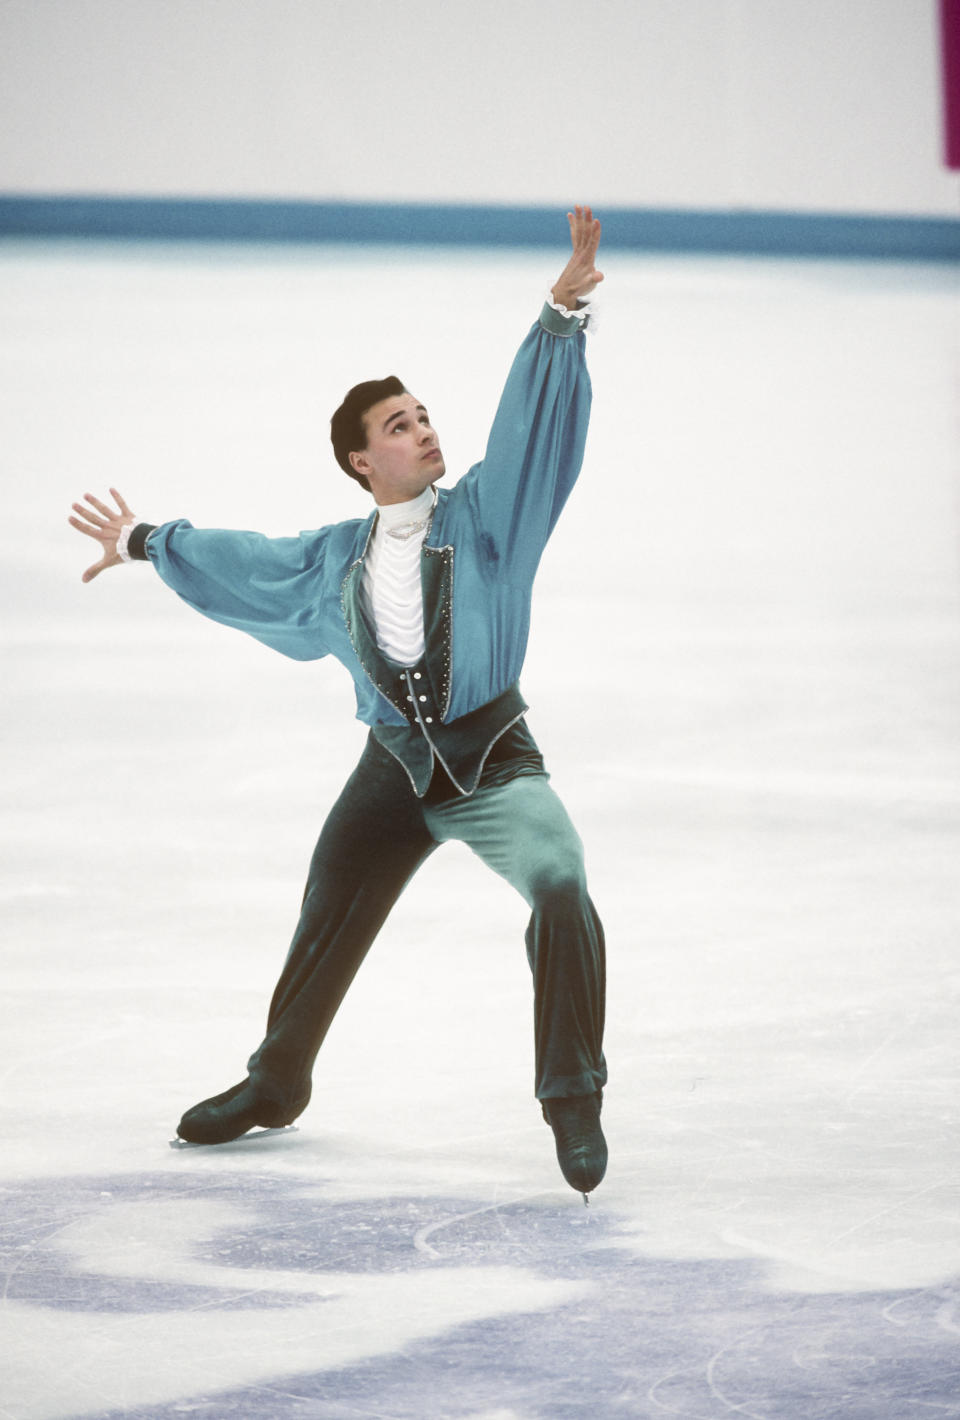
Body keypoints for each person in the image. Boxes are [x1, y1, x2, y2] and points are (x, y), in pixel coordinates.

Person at [69, 206, 609, 1197]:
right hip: (391, 767)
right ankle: (276, 1083)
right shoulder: (334, 559)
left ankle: (572, 1093)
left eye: (424, 414)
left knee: (561, 883)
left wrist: (558, 321)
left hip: (494, 760)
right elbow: (245, 564)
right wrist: (147, 541)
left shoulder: (488, 520)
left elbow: (533, 439)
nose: (425, 429)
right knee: (327, 912)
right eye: (400, 425)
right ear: (363, 460)